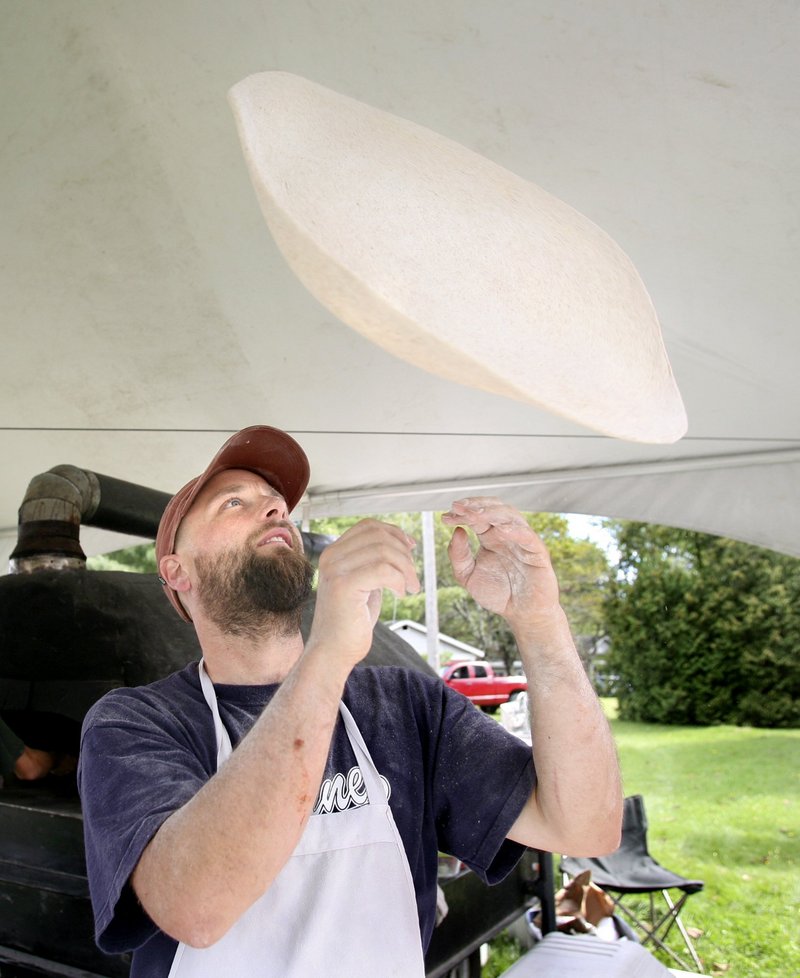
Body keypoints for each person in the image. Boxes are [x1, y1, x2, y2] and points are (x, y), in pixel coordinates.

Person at [78, 425, 622, 977]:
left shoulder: (405, 705)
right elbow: (194, 909)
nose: (273, 512)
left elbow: (583, 826)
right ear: (177, 572)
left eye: (277, 507)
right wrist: (329, 655)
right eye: (235, 503)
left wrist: (540, 621)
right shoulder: (135, 723)